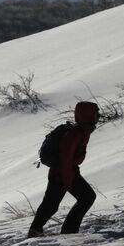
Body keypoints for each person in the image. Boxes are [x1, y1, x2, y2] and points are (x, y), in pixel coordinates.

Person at [28, 100, 98, 238]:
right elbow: (65, 159)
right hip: (60, 174)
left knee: (86, 197)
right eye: (96, 114)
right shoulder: (75, 134)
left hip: (70, 172)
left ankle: (68, 231)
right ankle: (35, 231)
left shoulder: (85, 131)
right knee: (52, 204)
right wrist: (67, 181)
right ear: (88, 116)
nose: (98, 116)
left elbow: (76, 159)